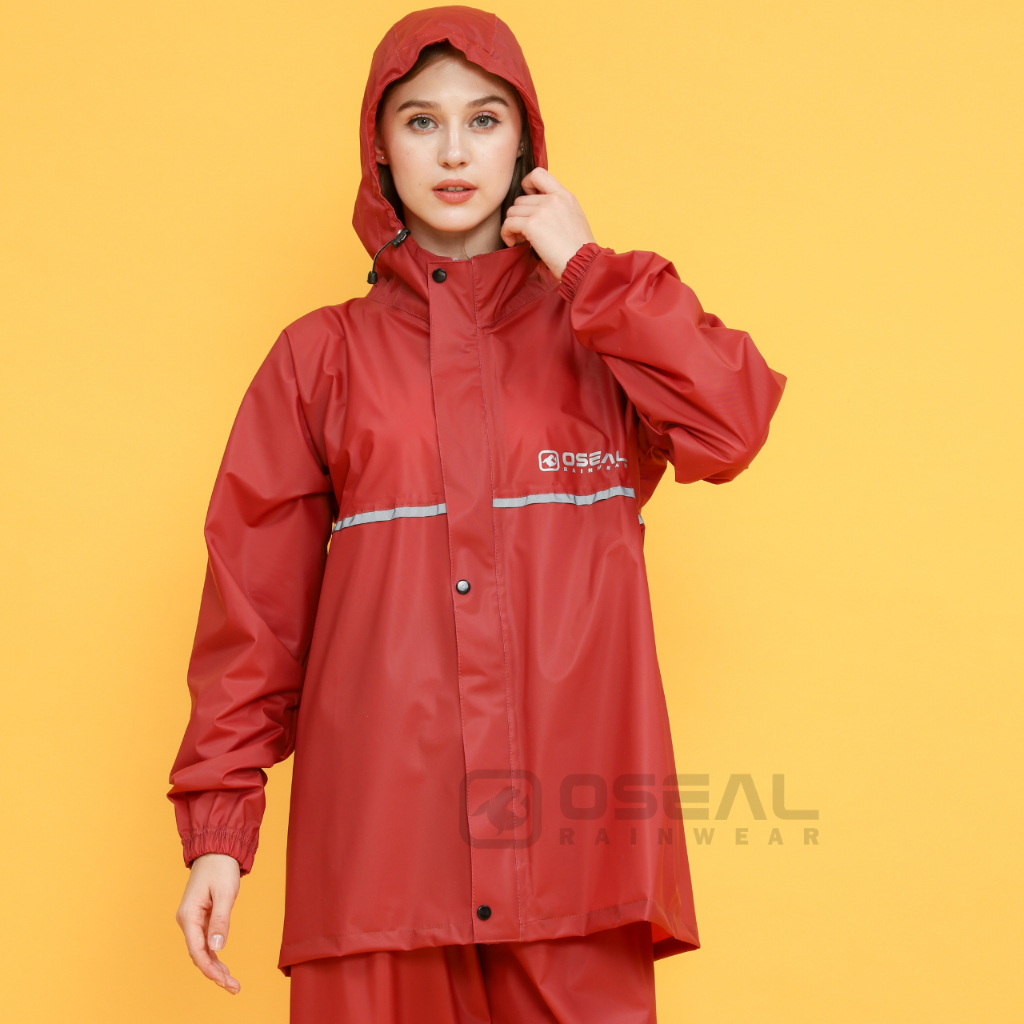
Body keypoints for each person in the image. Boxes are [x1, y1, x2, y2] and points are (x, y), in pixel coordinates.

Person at [169, 6, 786, 1022]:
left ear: (526, 142)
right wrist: (219, 832)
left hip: (574, 864)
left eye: (484, 119)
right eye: (421, 121)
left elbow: (731, 423)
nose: (454, 151)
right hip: (379, 861)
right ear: (380, 148)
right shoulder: (319, 358)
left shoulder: (602, 332)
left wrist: (587, 269)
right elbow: (253, 613)